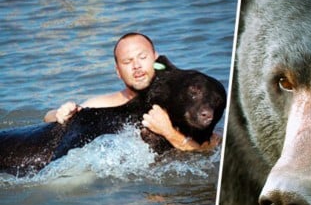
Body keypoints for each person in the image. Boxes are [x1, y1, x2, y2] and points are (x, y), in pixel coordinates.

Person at [44, 32, 220, 151]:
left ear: (156, 59)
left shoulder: (179, 102)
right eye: (127, 62)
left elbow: (205, 154)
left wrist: (169, 132)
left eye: (142, 58)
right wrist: (60, 113)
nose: (136, 66)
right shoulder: (105, 104)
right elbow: (48, 118)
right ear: (118, 72)